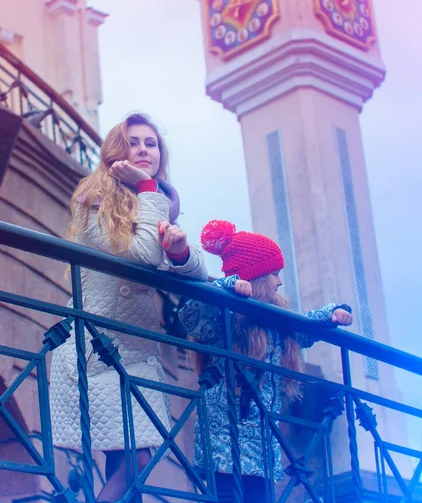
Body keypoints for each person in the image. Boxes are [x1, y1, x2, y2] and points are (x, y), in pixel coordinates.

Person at [49, 113, 208, 503]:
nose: (142, 149)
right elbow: (140, 254)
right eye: (133, 142)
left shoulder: (158, 205)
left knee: (126, 468)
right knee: (134, 463)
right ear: (116, 153)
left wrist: (181, 250)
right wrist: (151, 191)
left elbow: (199, 270)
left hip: (133, 355)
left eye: (150, 143)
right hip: (94, 350)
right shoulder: (94, 200)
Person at [179, 220, 353, 503]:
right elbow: (190, 317)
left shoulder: (277, 321)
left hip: (262, 446)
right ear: (256, 276)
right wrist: (227, 287)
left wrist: (333, 312)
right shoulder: (224, 316)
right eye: (274, 273)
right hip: (224, 445)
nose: (280, 281)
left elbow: (305, 328)